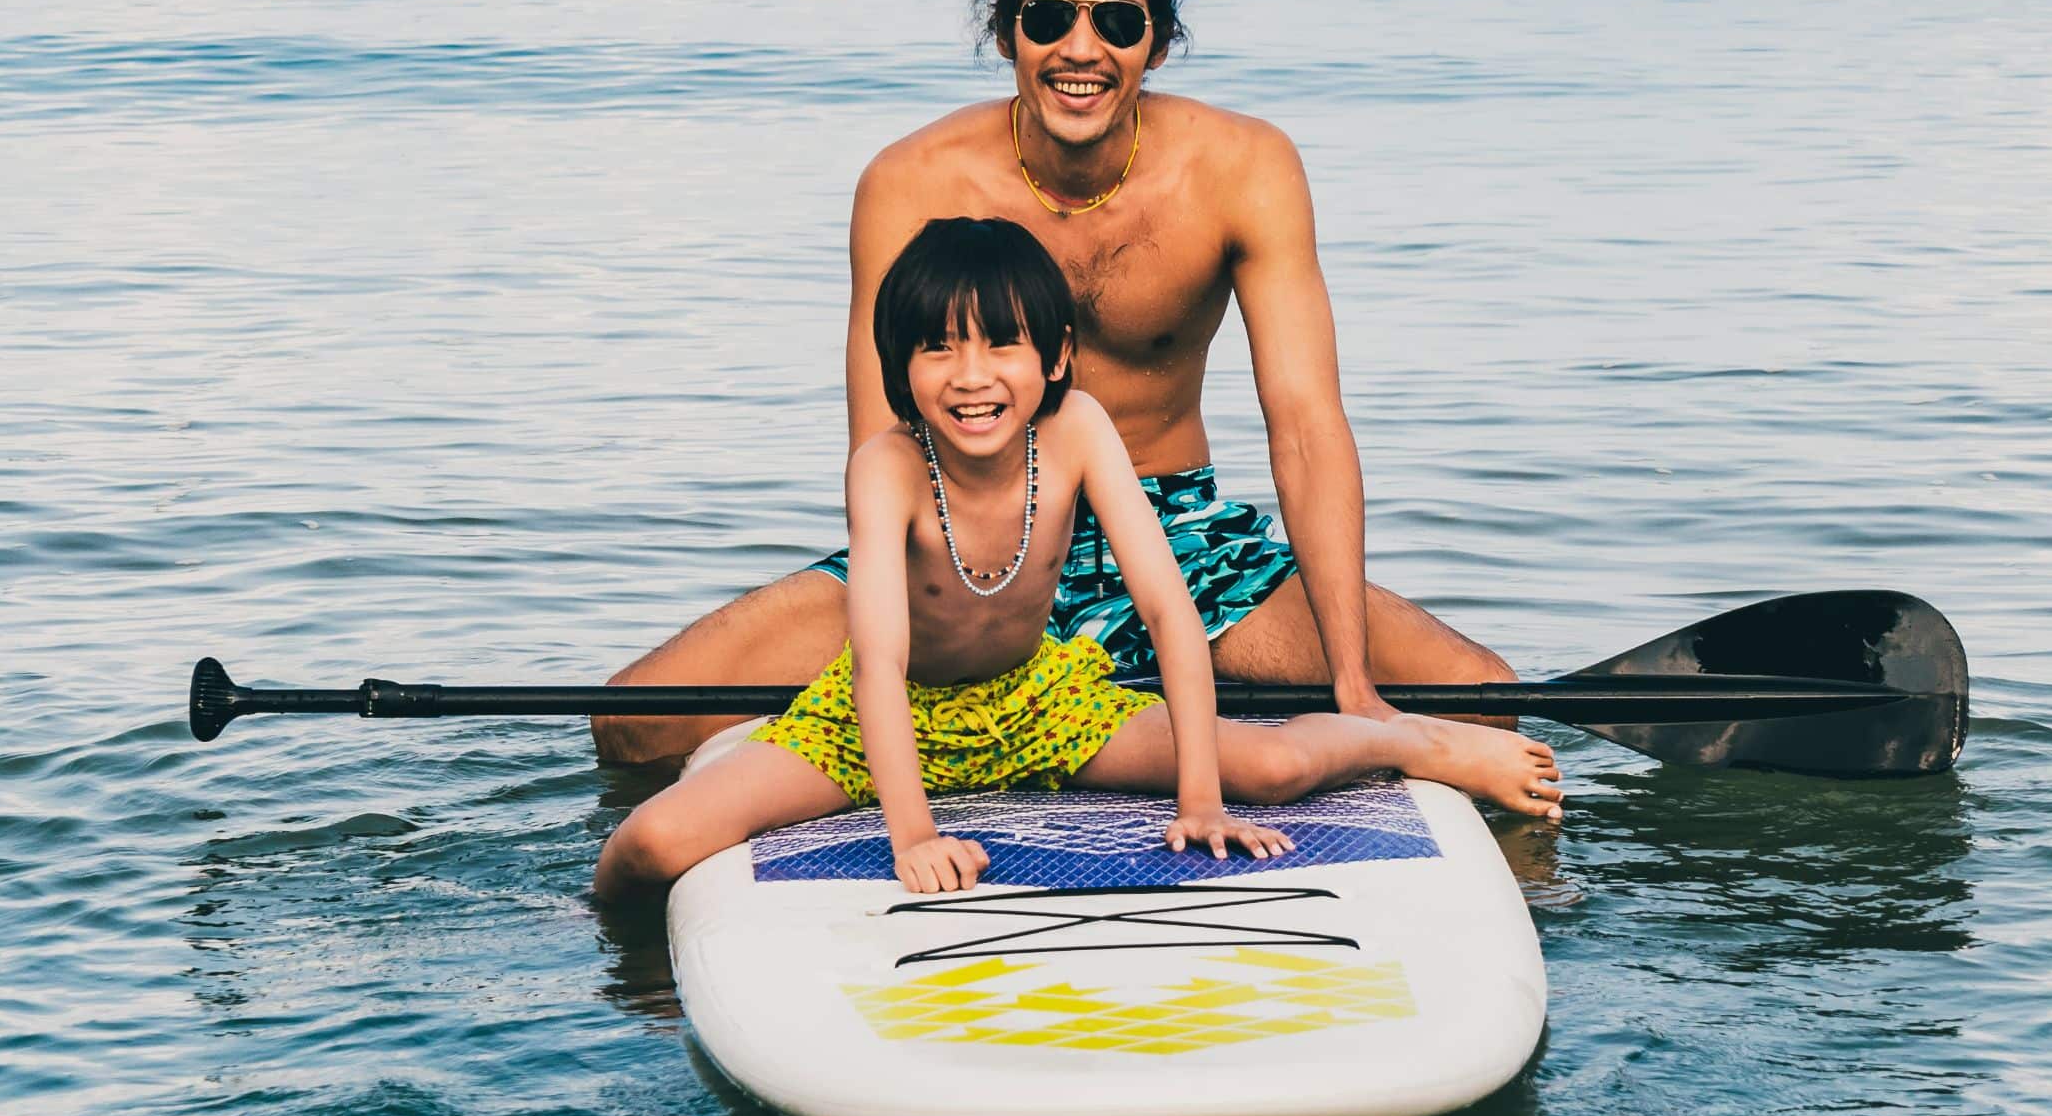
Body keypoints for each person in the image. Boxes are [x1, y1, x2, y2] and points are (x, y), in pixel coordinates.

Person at [594, 0, 1520, 771]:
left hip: (1181, 536)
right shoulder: (912, 182)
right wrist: (929, 623)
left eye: (1117, 20)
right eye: (1050, 18)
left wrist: (1353, 682)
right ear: (1007, 33)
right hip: (968, 535)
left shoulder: (1244, 168)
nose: (1083, 47)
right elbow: (880, 435)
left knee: (1480, 699)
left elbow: (1308, 429)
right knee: (639, 722)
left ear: (1157, 44)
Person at [593, 220, 1561, 903]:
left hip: (1043, 700)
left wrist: (1196, 797)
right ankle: (615, 971)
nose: (971, 376)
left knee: (1263, 765)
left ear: (1054, 355)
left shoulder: (1080, 430)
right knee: (650, 843)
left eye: (1000, 344)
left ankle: (1416, 744)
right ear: (902, 371)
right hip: (879, 722)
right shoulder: (884, 467)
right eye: (936, 350)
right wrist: (912, 832)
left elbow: (1172, 614)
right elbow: (878, 666)